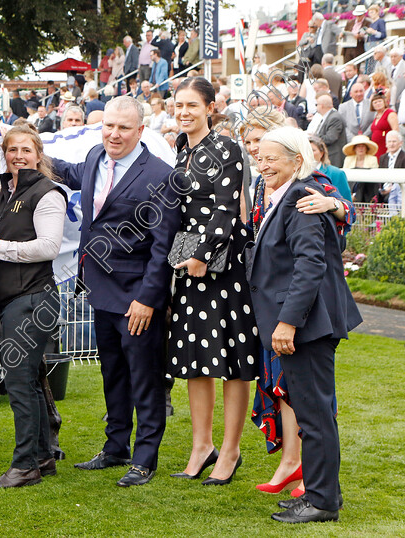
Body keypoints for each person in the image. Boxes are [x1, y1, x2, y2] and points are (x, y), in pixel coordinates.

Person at [52, 96, 180, 488]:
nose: (114, 134)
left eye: (124, 128)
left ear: (140, 131)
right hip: (99, 289)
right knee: (114, 375)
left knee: (145, 378)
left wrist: (147, 300)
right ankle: (115, 447)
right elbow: (71, 173)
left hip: (138, 296)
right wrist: (27, 154)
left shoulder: (160, 175)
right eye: (109, 126)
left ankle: (145, 458)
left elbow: (163, 249)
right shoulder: (94, 156)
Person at [249, 127, 362, 523]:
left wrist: (287, 323)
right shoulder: (283, 194)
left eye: (271, 158)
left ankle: (323, 502)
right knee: (312, 415)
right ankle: (319, 493)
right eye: (259, 157)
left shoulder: (300, 196)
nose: (262, 164)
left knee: (314, 416)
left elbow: (309, 265)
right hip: (305, 324)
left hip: (307, 326)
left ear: (297, 160)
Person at [0, 123, 66, 488]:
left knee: (20, 385)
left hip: (34, 299)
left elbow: (48, 246)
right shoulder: (4, 193)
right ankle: (42, 458)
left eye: (26, 150)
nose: (18, 156)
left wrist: (1, 248)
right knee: (29, 384)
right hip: (12, 300)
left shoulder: (48, 193)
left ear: (38, 155)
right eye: (12, 150)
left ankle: (24, 466)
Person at [166, 77, 259, 486]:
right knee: (195, 360)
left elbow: (226, 208)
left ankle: (231, 449)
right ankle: (202, 446)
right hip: (187, 264)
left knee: (233, 363)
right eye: (178, 105)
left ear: (210, 106)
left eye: (191, 105)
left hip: (223, 267)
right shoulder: (180, 150)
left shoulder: (226, 148)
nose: (183, 112)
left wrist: (203, 255)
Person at [308, 135, 351, 201]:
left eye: (313, 150)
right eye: (306, 150)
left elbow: (347, 203)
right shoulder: (299, 173)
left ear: (322, 153)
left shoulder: (336, 173)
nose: (309, 153)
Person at [310, 94, 346, 168]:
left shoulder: (334, 118)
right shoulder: (328, 117)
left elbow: (330, 138)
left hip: (333, 157)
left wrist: (314, 137)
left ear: (322, 105)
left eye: (317, 104)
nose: (316, 107)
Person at [369, 91, 398, 157]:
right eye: (375, 102)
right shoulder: (376, 115)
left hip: (386, 147)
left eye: (380, 101)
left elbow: (395, 130)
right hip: (377, 148)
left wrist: (390, 147)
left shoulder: (390, 113)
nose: (378, 104)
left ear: (384, 102)